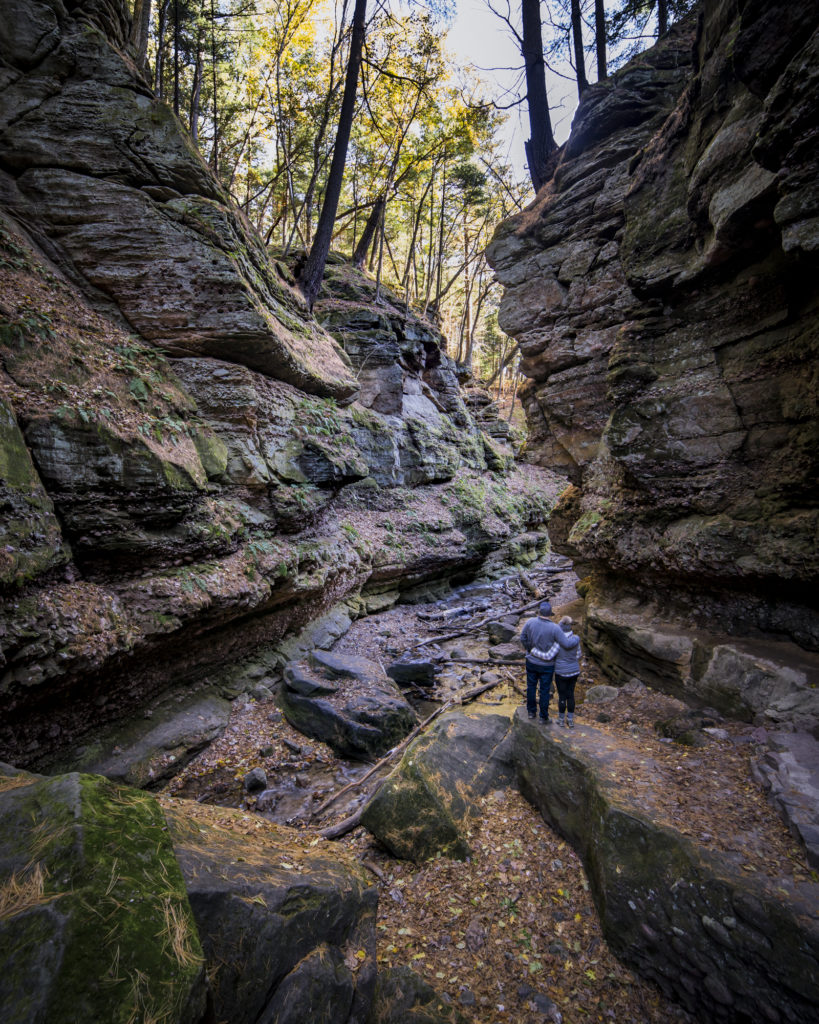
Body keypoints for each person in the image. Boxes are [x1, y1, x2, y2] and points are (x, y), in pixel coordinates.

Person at [520, 601, 579, 723]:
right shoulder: (555, 628)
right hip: (547, 666)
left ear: (539, 612)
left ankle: (531, 712)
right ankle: (543, 717)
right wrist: (577, 638)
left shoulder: (530, 622)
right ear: (550, 614)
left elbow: (522, 637)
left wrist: (529, 648)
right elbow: (567, 644)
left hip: (531, 661)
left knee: (531, 686)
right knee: (544, 690)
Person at [554, 615, 581, 727]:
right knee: (570, 695)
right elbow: (579, 655)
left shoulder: (557, 640)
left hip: (561, 672)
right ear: (570, 627)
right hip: (574, 671)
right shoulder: (575, 639)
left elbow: (553, 655)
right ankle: (570, 720)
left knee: (562, 696)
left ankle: (561, 720)